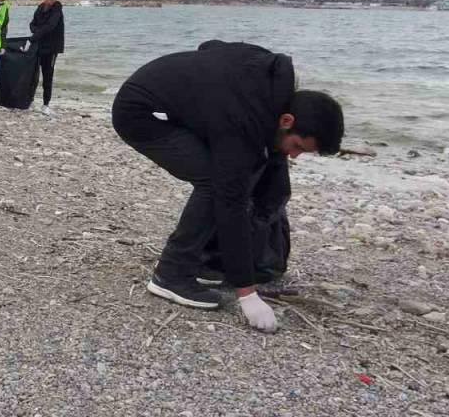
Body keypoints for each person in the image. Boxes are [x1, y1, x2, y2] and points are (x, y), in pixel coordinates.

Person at [110, 41, 343, 333]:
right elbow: (230, 198)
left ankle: (208, 260)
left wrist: (198, 98)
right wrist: (247, 294)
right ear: (286, 120)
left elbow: (211, 46)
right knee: (215, 182)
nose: (294, 155)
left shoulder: (268, 76)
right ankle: (171, 274)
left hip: (173, 105)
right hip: (141, 115)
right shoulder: (243, 117)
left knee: (251, 170)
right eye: (297, 147)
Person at [25, 0, 64, 116]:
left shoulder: (57, 10)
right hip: (39, 46)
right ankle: (30, 100)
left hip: (51, 49)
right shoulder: (40, 8)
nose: (49, 1)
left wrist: (33, 37)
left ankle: (46, 104)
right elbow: (32, 24)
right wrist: (37, 33)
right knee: (34, 74)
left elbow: (50, 27)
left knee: (48, 76)